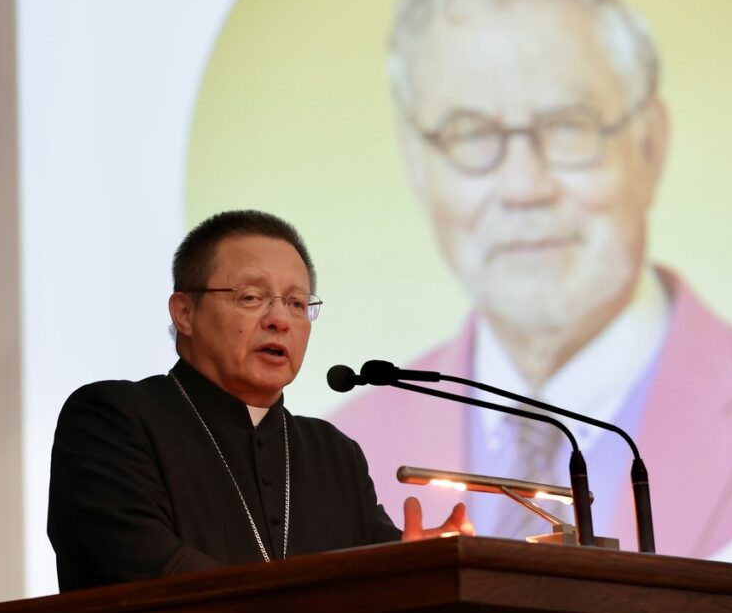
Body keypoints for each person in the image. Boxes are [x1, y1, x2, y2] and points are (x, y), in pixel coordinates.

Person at [330, 0, 732, 558]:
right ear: (418, 167)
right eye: (471, 133)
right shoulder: (341, 454)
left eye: (568, 125)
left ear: (650, 144)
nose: (524, 187)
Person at [47, 210, 472, 592]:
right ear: (185, 313)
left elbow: (380, 579)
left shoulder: (333, 454)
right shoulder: (113, 419)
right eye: (251, 297)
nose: (280, 319)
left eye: (297, 303)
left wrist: (425, 568)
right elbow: (150, 572)